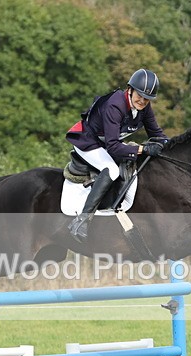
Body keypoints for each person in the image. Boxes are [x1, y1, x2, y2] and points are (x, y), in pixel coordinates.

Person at [65, 68, 168, 243]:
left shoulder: (144, 107)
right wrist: (143, 149)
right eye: (140, 95)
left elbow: (157, 133)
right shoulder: (115, 105)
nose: (142, 101)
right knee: (112, 170)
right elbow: (113, 147)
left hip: (105, 144)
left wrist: (171, 145)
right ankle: (81, 221)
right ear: (130, 89)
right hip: (88, 142)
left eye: (147, 98)